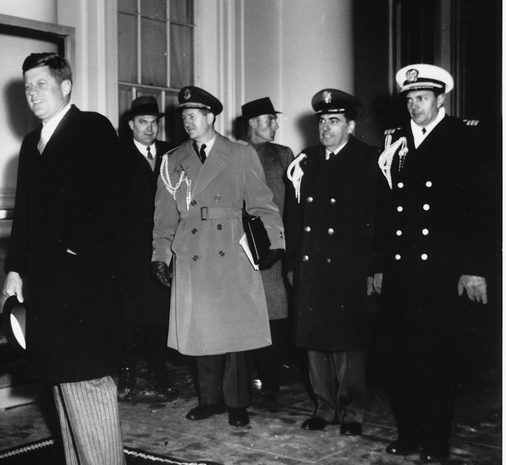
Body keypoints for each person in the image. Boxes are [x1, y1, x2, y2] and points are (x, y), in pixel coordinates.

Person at [2, 52, 126, 465]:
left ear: (66, 87)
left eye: (42, 85)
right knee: (59, 377)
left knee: (87, 376)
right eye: (28, 87)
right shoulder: (32, 144)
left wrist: (78, 249)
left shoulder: (91, 128)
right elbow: (25, 216)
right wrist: (14, 269)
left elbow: (114, 199)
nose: (33, 94)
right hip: (46, 282)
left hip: (85, 279)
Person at [373, 64, 493, 462]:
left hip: (443, 272)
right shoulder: (397, 141)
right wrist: (378, 265)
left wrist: (475, 267)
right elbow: (386, 212)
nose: (414, 105)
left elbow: (482, 209)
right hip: (403, 271)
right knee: (401, 358)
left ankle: (435, 442)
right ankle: (409, 434)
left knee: (438, 360)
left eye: (422, 97)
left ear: (442, 99)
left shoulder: (465, 137)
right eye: (409, 99)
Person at [152, 85, 285, 428]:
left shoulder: (240, 154)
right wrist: (161, 256)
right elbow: (164, 218)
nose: (187, 121)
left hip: (232, 249)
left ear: (211, 117)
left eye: (193, 115)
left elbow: (262, 203)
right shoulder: (172, 160)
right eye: (184, 116)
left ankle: (238, 402)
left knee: (234, 334)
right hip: (191, 251)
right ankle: (210, 401)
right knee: (201, 331)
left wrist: (274, 243)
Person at [285, 89, 383, 436]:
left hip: (349, 265)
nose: (326, 128)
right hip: (312, 264)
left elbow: (380, 219)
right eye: (322, 121)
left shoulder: (371, 160)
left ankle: (351, 411)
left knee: (348, 342)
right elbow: (294, 217)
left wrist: (375, 268)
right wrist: (293, 263)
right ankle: (324, 407)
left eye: (334, 121)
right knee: (314, 339)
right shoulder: (307, 160)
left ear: (350, 125)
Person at [116, 96, 176, 400]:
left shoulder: (171, 153)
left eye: (154, 123)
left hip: (163, 247)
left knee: (160, 313)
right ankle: (126, 372)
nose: (150, 128)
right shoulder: (117, 154)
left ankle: (158, 369)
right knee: (129, 314)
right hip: (129, 251)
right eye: (143, 123)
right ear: (131, 125)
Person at [241, 97, 294, 405]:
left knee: (275, 314)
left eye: (275, 119)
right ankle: (247, 380)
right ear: (252, 124)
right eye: (269, 120)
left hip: (276, 249)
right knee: (247, 315)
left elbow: (295, 202)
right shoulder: (235, 153)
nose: (275, 125)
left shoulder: (283, 155)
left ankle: (271, 382)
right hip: (245, 248)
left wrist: (283, 244)